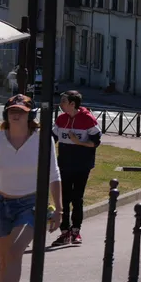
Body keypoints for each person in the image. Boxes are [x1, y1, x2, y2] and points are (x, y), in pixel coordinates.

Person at [0, 94, 61, 282]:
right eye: (12, 111)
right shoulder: (0, 139)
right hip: (1, 202)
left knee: (15, 251)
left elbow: (54, 174)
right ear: (5, 114)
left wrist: (59, 209)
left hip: (30, 204)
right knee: (5, 259)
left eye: (21, 111)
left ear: (30, 115)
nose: (16, 115)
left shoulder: (41, 140)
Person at [51, 90, 101, 246]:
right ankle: (64, 233)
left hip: (82, 165)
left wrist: (78, 142)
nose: (61, 104)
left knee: (77, 198)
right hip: (64, 165)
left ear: (73, 104)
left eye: (64, 101)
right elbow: (52, 139)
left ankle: (76, 231)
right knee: (64, 199)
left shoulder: (88, 119)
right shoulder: (61, 119)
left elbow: (95, 142)